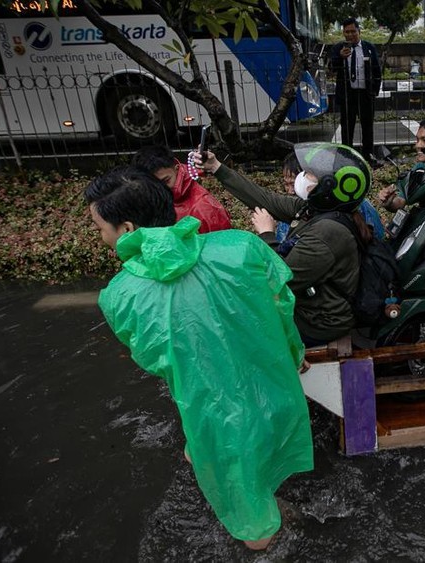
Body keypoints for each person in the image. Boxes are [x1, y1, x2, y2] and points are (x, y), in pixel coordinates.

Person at [84, 166, 313, 550]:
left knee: (253, 525)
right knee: (266, 460)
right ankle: (286, 513)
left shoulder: (119, 295)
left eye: (99, 228)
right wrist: (295, 356)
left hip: (214, 411)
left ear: (126, 229)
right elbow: (282, 309)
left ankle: (276, 538)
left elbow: (155, 359)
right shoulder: (242, 246)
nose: (99, 236)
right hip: (273, 389)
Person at [192, 143, 371, 345]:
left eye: (310, 174)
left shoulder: (329, 232)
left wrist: (267, 234)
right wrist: (217, 167)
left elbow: (280, 278)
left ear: (329, 186)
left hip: (318, 322)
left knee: (239, 330)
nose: (302, 177)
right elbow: (266, 199)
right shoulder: (314, 210)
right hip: (307, 305)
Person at [275, 152, 385, 242]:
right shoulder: (353, 202)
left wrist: (267, 233)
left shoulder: (358, 207)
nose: (290, 191)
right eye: (286, 184)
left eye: (294, 184)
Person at [131, 145, 232, 234]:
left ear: (176, 167)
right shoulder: (150, 200)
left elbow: (221, 249)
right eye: (153, 185)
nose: (161, 189)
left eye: (166, 181)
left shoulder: (204, 208)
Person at [329, 18, 382, 163]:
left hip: (365, 94)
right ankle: (347, 156)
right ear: (343, 33)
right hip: (347, 95)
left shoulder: (369, 47)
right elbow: (331, 68)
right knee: (347, 128)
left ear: (359, 31)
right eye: (347, 32)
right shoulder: (338, 48)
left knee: (367, 126)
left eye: (353, 31)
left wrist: (374, 92)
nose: (350, 35)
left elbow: (377, 70)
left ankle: (368, 155)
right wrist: (340, 57)